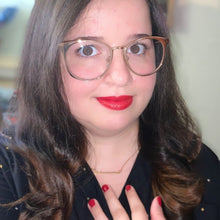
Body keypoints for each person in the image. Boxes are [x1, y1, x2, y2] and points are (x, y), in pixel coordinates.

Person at [0, 0, 219, 219]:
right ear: (45, 59)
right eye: (88, 50)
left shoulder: (200, 167)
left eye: (137, 47)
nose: (121, 77)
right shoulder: (8, 171)